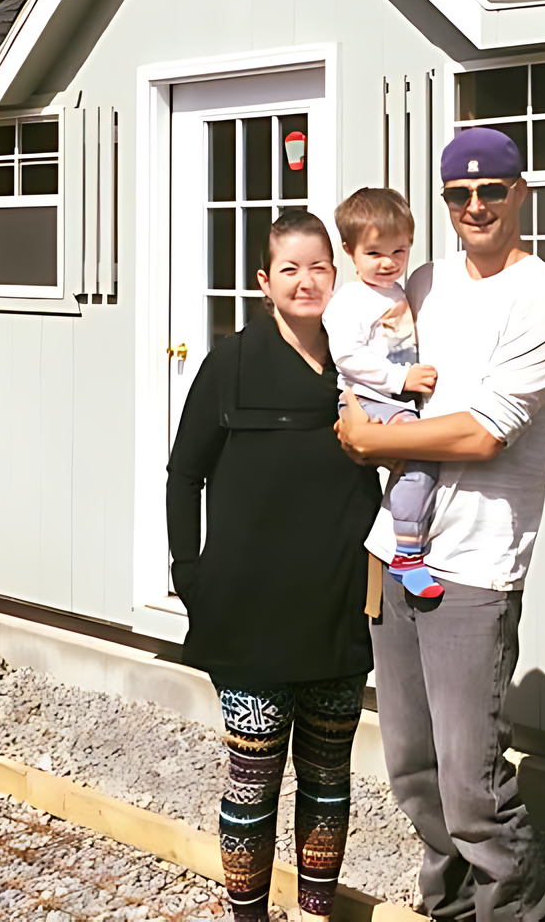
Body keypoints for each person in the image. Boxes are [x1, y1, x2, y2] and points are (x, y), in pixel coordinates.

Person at [337, 127, 545, 922]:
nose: (475, 205)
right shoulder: (427, 280)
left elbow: (483, 432)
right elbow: (366, 368)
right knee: (412, 770)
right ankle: (446, 911)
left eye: (491, 190)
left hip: (472, 566)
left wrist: (373, 439)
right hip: (394, 551)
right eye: (458, 194)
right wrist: (356, 418)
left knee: (472, 786)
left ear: (521, 193)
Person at [167, 209, 381, 922]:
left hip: (338, 607)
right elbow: (183, 474)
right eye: (289, 268)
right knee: (253, 781)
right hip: (249, 615)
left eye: (319, 266)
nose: (306, 281)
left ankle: (317, 910)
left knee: (327, 778)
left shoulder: (362, 365)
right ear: (265, 281)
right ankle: (248, 914)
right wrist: (187, 574)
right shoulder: (231, 362)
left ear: (337, 272)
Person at [327, 186, 444, 598]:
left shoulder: (397, 290)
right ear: (349, 249)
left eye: (399, 252)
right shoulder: (349, 301)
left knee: (416, 466)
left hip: (394, 396)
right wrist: (403, 380)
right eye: (375, 253)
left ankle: (405, 539)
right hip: (369, 397)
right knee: (421, 462)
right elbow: (347, 358)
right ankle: (408, 556)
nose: (388, 263)